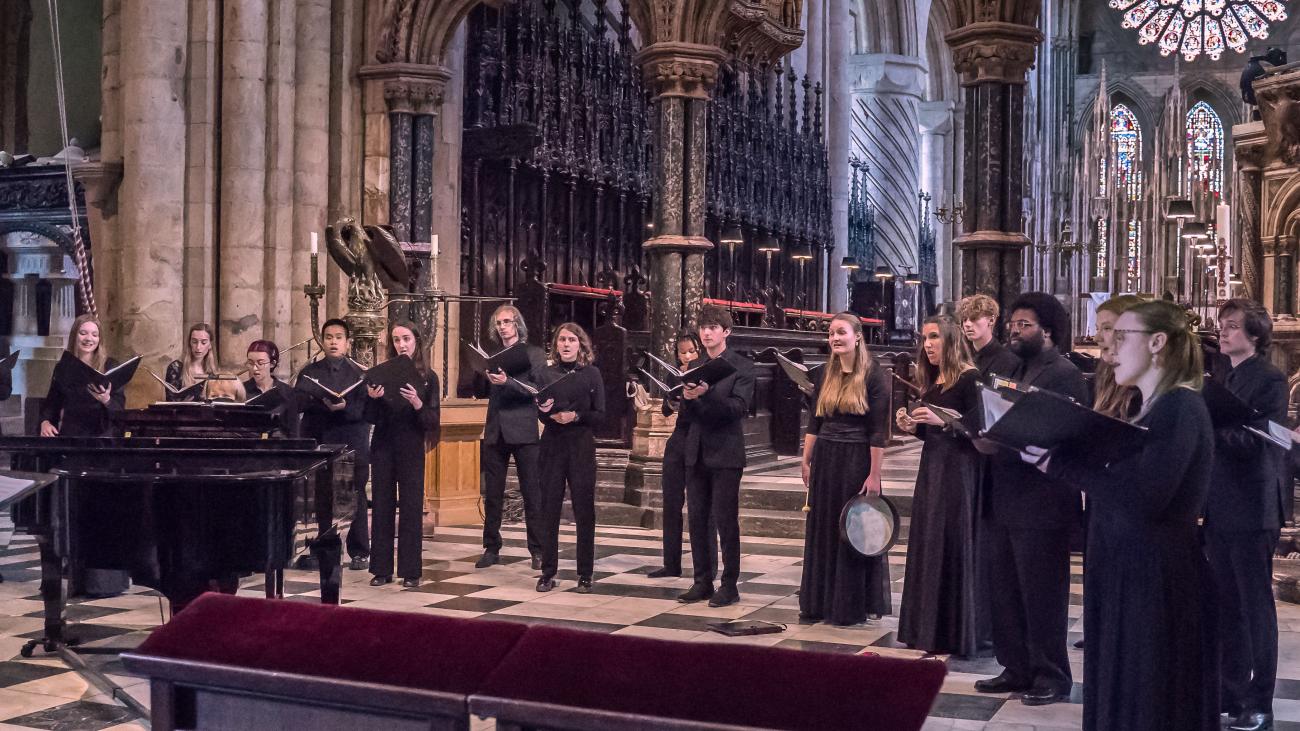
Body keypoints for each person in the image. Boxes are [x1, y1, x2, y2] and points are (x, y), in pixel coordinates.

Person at [1026, 300, 1217, 731]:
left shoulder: (1180, 407)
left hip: (1158, 576)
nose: (1109, 347)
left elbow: (1147, 497)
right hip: (1128, 568)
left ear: (1157, 343)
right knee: (1123, 687)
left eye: (1121, 336)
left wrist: (1062, 466)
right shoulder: (1144, 408)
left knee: (1150, 696)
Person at [975, 292, 1087, 706]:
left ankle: (1052, 675)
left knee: (1042, 593)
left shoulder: (1063, 373)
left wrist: (1001, 440)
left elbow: (1063, 432)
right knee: (1005, 588)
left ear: (1048, 331)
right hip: (1006, 494)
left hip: (1042, 502)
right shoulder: (1016, 368)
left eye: (1025, 325)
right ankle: (1017, 665)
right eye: (1014, 324)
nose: (1015, 331)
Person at [1204, 299, 1287, 731]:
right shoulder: (1222, 375)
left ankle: (1260, 702)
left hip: (1253, 507)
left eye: (1233, 326)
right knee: (1227, 605)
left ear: (1254, 335)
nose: (1224, 332)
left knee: (1256, 610)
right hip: (1219, 505)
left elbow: (1262, 440)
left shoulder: (1270, 379)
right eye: (1222, 325)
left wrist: (1207, 430)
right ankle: (1230, 692)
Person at [895, 315, 982, 654]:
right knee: (929, 543)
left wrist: (942, 421)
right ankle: (926, 628)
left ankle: (950, 631)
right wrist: (912, 425)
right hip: (932, 468)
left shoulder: (970, 378)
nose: (927, 344)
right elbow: (932, 428)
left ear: (951, 340)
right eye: (924, 338)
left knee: (949, 543)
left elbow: (978, 427)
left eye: (934, 337)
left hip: (958, 472)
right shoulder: (936, 379)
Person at [798, 312, 890, 625]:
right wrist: (806, 458)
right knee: (823, 527)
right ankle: (820, 601)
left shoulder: (875, 374)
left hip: (856, 459)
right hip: (826, 456)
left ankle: (849, 605)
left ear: (857, 336)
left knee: (851, 531)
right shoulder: (824, 372)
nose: (835, 338)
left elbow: (878, 430)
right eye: (831, 333)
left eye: (841, 332)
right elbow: (815, 420)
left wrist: (874, 472)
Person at [41, 314, 129, 597]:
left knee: (101, 512)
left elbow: (120, 410)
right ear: (75, 336)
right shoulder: (65, 367)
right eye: (83, 333)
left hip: (101, 447)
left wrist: (106, 400)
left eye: (94, 334)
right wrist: (45, 421)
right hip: (72, 444)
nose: (89, 339)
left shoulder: (109, 366)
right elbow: (51, 404)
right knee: (74, 512)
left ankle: (105, 582)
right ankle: (77, 578)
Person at [678, 305, 755, 608]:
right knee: (697, 519)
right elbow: (688, 414)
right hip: (696, 450)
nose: (707, 332)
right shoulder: (693, 365)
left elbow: (739, 408)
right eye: (703, 327)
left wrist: (704, 395)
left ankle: (730, 584)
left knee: (725, 520)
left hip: (726, 451)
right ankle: (702, 581)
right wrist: (683, 397)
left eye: (713, 327)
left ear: (726, 332)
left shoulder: (741, 366)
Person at [364, 321, 440, 588]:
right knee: (382, 505)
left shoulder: (429, 378)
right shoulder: (383, 373)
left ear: (416, 340)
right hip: (384, 445)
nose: (402, 345)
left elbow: (432, 422)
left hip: (411, 446)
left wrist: (418, 403)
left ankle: (410, 571)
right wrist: (373, 398)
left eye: (406, 339)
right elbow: (369, 418)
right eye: (396, 340)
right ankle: (381, 569)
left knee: (410, 507)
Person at [477, 305, 548, 571]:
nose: (502, 327)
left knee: (532, 492)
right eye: (498, 323)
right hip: (496, 429)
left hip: (523, 428)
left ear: (517, 323)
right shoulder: (493, 354)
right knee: (492, 493)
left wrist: (506, 382)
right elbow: (482, 389)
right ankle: (491, 547)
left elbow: (537, 390)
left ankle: (538, 550)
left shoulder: (533, 353)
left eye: (507, 321)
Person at [536, 322, 605, 593]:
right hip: (552, 444)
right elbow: (541, 412)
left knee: (583, 510)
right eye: (562, 339)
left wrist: (575, 416)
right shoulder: (545, 373)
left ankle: (585, 573)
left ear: (581, 345)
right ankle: (547, 572)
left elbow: (600, 415)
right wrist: (544, 410)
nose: (566, 344)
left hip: (580, 445)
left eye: (572, 340)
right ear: (556, 344)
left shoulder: (591, 374)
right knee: (549, 509)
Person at [297, 319, 371, 571]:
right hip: (322, 437)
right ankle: (325, 547)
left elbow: (366, 409)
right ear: (322, 341)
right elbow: (301, 403)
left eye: (339, 337)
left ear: (347, 342)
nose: (333, 342)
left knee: (356, 494)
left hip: (352, 439)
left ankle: (360, 551)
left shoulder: (360, 373)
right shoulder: (310, 372)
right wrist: (323, 404)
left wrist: (345, 406)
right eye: (328, 337)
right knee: (323, 496)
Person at [647, 331, 717, 579]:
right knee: (671, 502)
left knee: (701, 506)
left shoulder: (707, 373)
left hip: (698, 439)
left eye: (691, 351)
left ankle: (706, 568)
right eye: (682, 352)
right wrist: (672, 404)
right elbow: (667, 407)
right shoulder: (675, 374)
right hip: (678, 439)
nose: (687, 356)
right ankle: (671, 563)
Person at [1093, 295, 1145, 418]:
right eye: (1097, 328)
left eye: (1107, 328)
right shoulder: (1107, 373)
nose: (1097, 338)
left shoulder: (1151, 389)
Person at [242, 340, 300, 438]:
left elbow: (294, 430)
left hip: (279, 448)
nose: (255, 368)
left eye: (260, 363)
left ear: (272, 363)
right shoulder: (242, 390)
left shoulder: (286, 392)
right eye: (251, 363)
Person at [957, 294, 1019, 380]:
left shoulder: (1008, 360)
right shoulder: (960, 356)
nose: (967, 324)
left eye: (974, 318)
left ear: (991, 320)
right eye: (964, 319)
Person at [164, 323, 216, 400]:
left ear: (210, 345)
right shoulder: (176, 368)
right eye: (194, 342)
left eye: (203, 342)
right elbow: (170, 402)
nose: (198, 347)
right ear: (189, 343)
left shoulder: (211, 371)